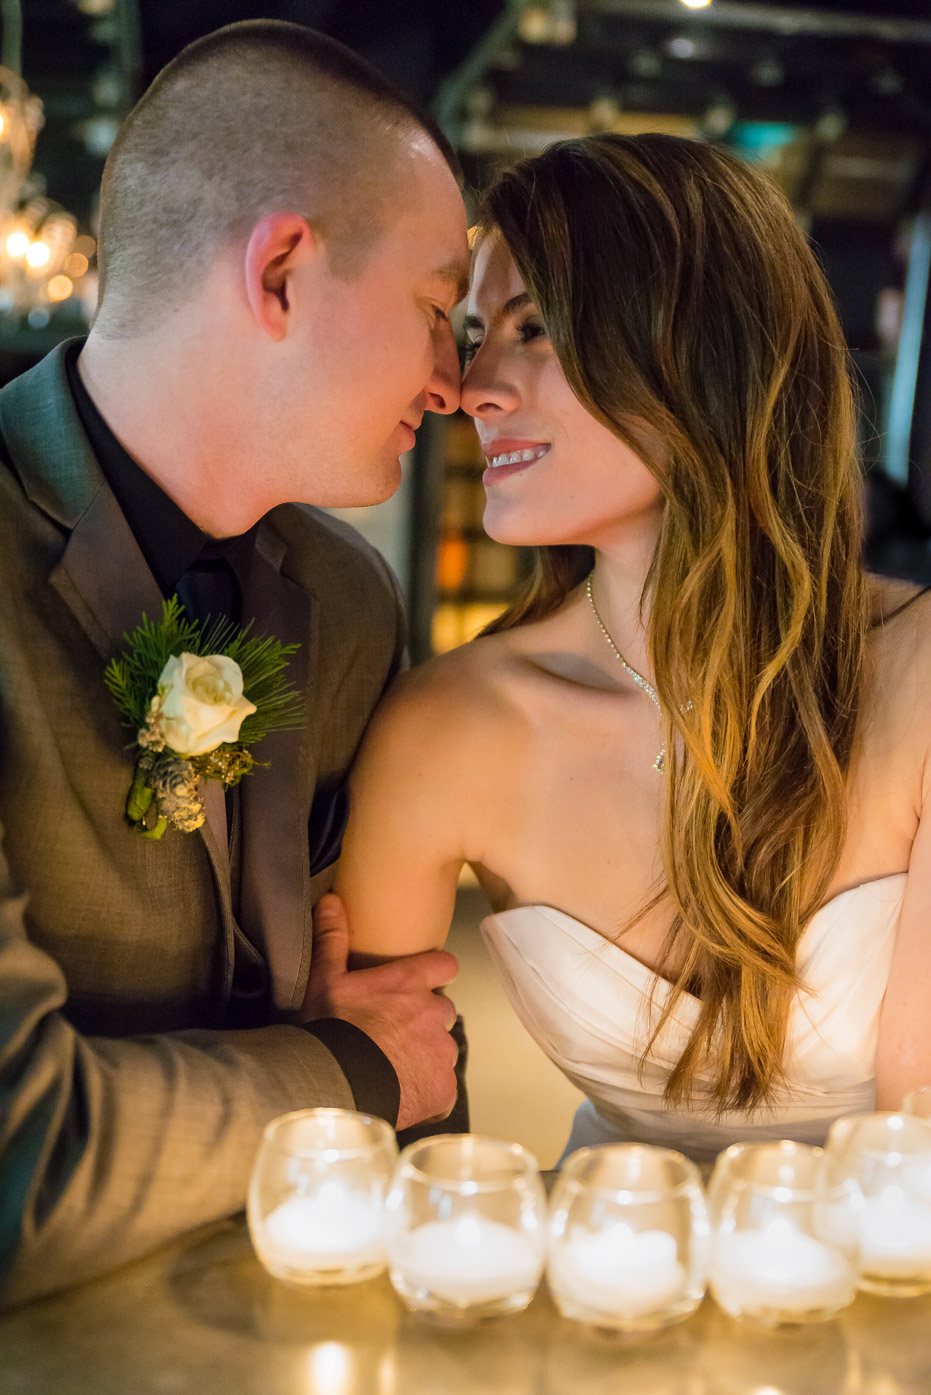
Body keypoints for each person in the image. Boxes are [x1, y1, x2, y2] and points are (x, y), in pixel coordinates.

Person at [337, 132, 931, 1165]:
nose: (471, 386)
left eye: (537, 329)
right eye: (473, 332)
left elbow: (915, 1127)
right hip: (597, 1281)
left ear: (706, 348)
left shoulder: (915, 671)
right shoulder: (445, 727)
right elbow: (391, 1129)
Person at [0, 20, 472, 1307]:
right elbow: (17, 1162)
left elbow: (410, 1032)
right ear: (279, 272)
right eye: (438, 309)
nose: (453, 382)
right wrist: (347, 1073)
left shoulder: (348, 600)